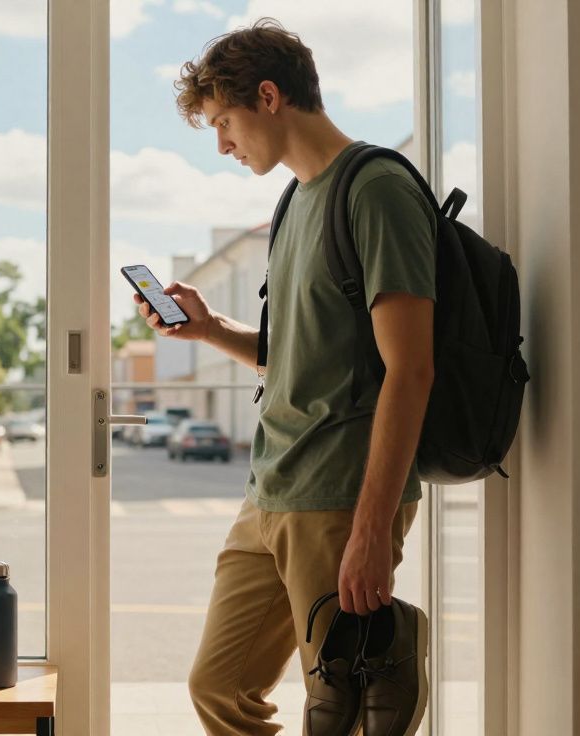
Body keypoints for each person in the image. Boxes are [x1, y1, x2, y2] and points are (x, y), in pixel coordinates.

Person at [135, 18, 436, 735]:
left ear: (269, 97)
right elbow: (298, 357)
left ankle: (394, 643)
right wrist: (210, 328)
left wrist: (371, 531)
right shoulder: (294, 200)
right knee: (219, 687)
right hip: (270, 489)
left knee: (339, 711)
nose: (222, 144)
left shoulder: (376, 189)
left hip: (336, 496)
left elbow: (412, 369)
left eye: (224, 121)